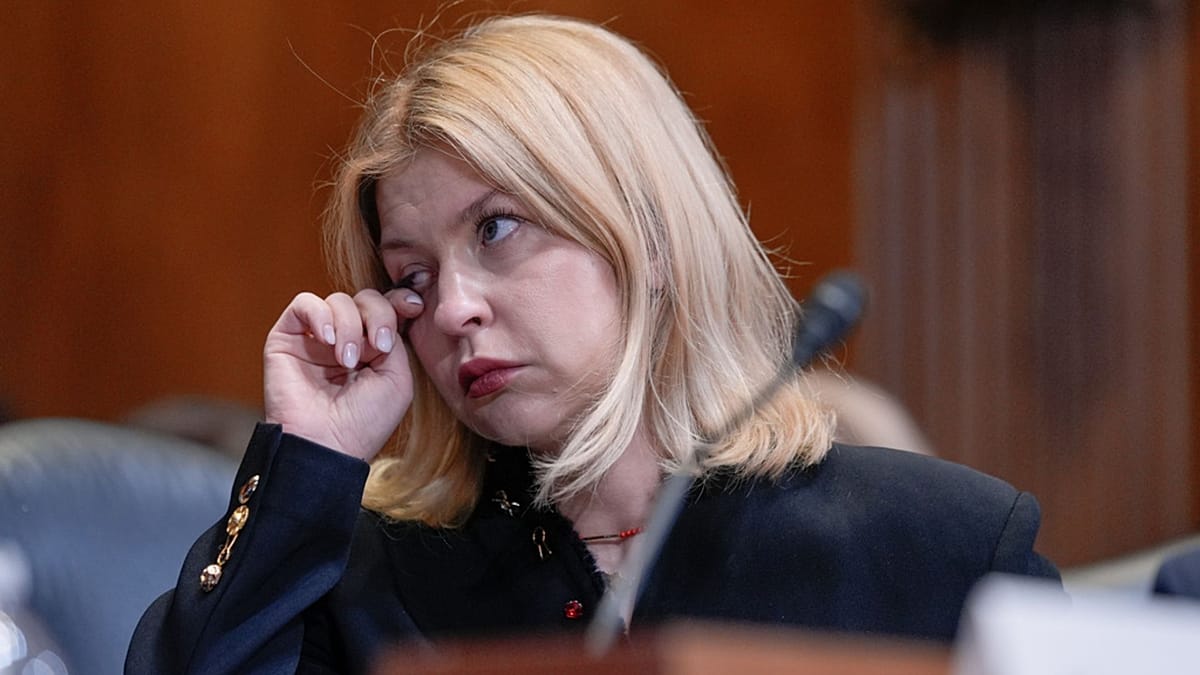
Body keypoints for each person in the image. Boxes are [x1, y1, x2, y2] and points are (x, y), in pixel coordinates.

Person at [126, 14, 1059, 674]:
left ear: (648, 233)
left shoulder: (946, 546)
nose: (452, 309)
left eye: (497, 229)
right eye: (412, 275)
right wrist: (308, 461)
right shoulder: (366, 576)